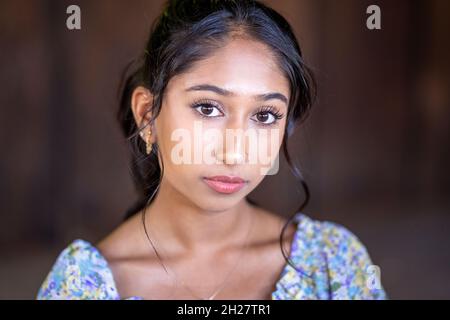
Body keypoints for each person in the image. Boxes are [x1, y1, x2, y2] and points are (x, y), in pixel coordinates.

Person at [36, 0, 387, 300]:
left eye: (264, 115)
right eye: (208, 108)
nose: (235, 153)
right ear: (147, 115)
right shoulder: (83, 285)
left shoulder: (333, 264)